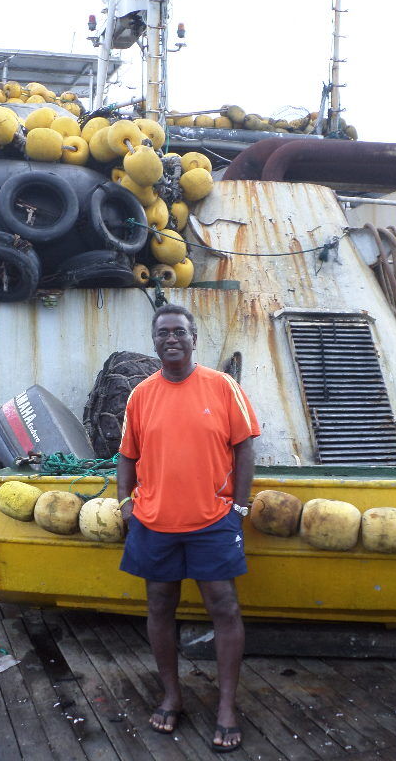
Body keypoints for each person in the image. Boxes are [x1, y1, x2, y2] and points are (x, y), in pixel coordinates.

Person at [116, 303, 260, 754]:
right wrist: (125, 505)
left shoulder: (222, 387)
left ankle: (226, 708)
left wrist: (237, 507)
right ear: (154, 341)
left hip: (213, 522)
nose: (171, 339)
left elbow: (245, 447)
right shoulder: (140, 394)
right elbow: (126, 455)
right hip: (154, 522)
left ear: (194, 338)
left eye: (179, 331)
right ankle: (171, 695)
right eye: (163, 333)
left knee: (225, 607)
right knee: (159, 606)